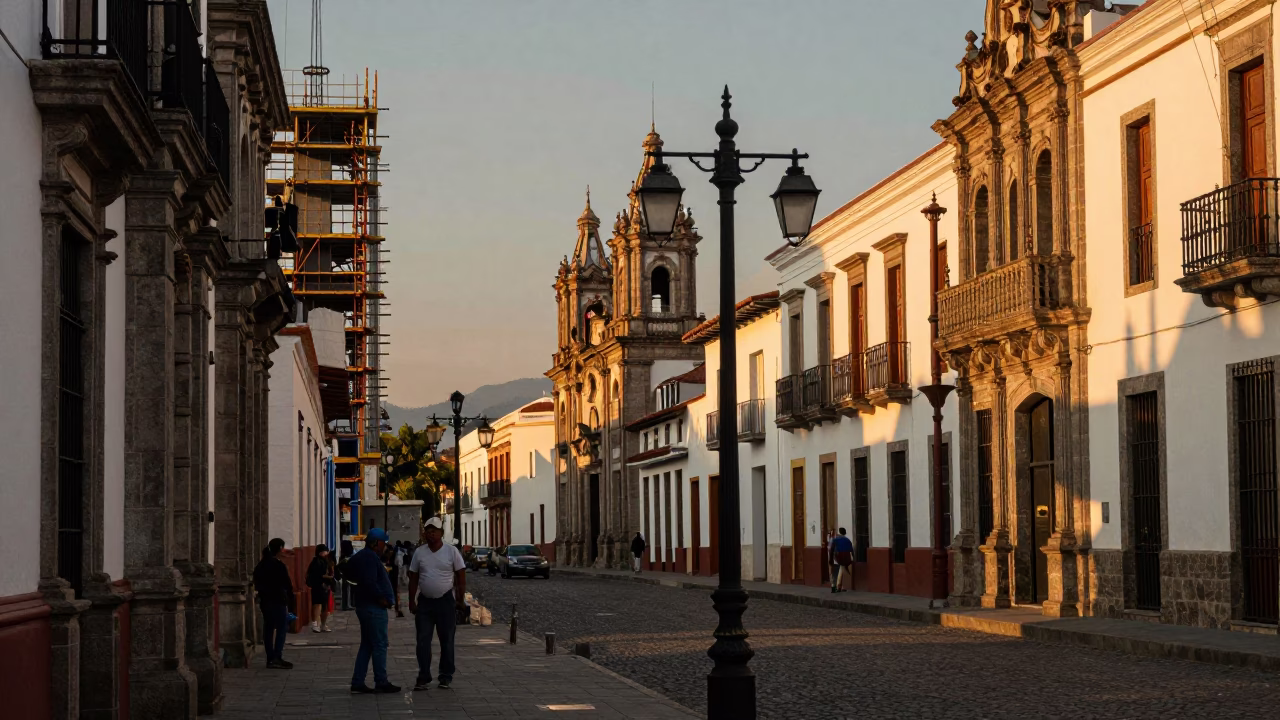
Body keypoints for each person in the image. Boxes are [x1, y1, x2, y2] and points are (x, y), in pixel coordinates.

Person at [408, 517, 467, 691]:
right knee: (423, 641)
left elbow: (461, 576)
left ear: (441, 533)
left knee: (447, 640)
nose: (430, 534)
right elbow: (413, 578)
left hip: (445, 601)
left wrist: (460, 599)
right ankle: (423, 675)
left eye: (434, 531)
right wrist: (411, 601)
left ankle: (446, 675)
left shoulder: (451, 552)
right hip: (425, 603)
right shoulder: (420, 552)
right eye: (428, 530)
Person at [346, 528, 399, 694]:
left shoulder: (362, 557)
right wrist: (381, 598)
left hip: (365, 606)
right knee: (379, 644)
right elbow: (369, 581)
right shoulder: (369, 558)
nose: (385, 546)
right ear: (376, 543)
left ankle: (358, 681)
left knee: (367, 645)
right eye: (383, 542)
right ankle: (381, 681)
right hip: (373, 608)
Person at [252, 537, 294, 669]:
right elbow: (287, 584)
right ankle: (277, 656)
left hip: (265, 600)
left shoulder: (262, 564)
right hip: (278, 600)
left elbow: (256, 580)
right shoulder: (279, 565)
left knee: (269, 628)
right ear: (280, 549)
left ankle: (270, 657)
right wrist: (290, 599)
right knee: (281, 628)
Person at [307, 543, 334, 632]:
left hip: (326, 587)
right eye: (324, 552)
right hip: (318, 586)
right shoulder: (316, 562)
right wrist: (329, 577)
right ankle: (315, 624)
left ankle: (323, 625)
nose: (326, 553)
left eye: (326, 551)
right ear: (320, 552)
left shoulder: (327, 561)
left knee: (325, 607)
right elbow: (317, 575)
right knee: (317, 605)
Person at [831, 527, 855, 593]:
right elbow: (851, 550)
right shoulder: (848, 540)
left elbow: (832, 549)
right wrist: (853, 557)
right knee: (842, 570)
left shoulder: (836, 540)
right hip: (846, 557)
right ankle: (840, 586)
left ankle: (839, 586)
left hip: (838, 557)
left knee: (840, 570)